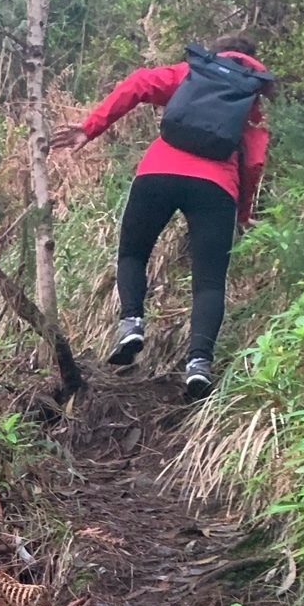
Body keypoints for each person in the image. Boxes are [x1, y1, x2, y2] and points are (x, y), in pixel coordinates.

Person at [51, 33, 271, 392]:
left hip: (158, 173)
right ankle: (199, 363)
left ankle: (132, 324)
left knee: (134, 253)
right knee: (209, 282)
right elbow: (255, 161)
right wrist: (242, 213)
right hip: (216, 187)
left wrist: (91, 128)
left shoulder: (191, 73)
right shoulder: (249, 97)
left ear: (216, 53)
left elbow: (139, 82)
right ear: (251, 61)